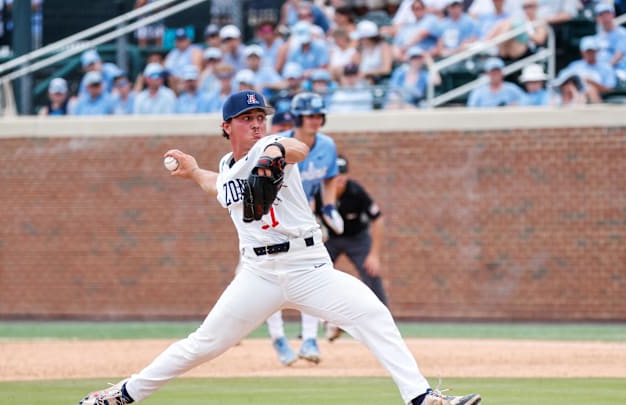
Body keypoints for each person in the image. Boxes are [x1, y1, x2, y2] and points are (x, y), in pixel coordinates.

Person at [75, 89, 485, 405]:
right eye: (247, 118)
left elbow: (297, 149)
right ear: (226, 126)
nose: (256, 123)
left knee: (373, 315)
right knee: (202, 344)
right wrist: (193, 170)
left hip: (309, 268)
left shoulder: (271, 147)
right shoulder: (226, 166)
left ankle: (421, 397)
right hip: (257, 275)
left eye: (260, 117)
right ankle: (120, 395)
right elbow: (217, 185)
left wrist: (272, 149)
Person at [265, 92, 344, 367]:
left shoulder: (327, 145)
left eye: (318, 115)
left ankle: (310, 338)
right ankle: (278, 338)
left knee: (313, 272)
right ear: (298, 117)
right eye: (310, 116)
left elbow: (330, 177)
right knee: (268, 280)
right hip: (271, 218)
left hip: (305, 218)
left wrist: (330, 207)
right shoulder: (278, 144)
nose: (315, 121)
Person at [313, 155, 389, 308]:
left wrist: (374, 254)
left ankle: (383, 317)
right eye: (335, 173)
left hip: (357, 238)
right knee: (314, 273)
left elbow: (378, 218)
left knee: (371, 271)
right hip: (329, 239)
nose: (339, 177)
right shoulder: (318, 191)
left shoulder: (356, 191)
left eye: (343, 173)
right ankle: (318, 323)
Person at [557, 36, 617, 103]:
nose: (590, 53)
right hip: (574, 94)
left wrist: (593, 83)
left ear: (596, 51)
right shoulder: (574, 66)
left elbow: (610, 89)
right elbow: (561, 80)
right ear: (582, 52)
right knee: (567, 88)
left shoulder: (606, 67)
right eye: (587, 51)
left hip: (596, 96)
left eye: (592, 51)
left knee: (590, 89)